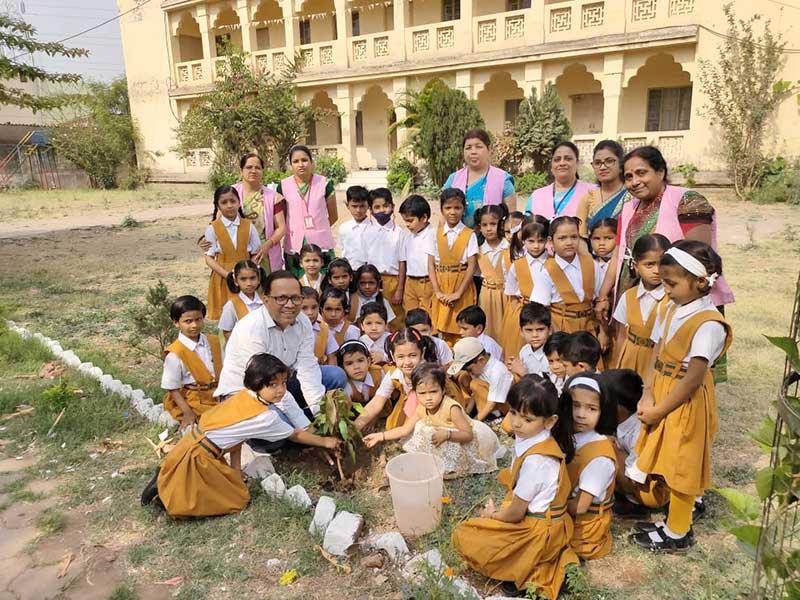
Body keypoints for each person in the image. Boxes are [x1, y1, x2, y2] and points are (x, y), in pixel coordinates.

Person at [595, 147, 734, 381]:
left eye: (642, 173)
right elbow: (620, 255)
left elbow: (699, 257)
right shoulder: (629, 208)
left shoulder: (688, 200)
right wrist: (603, 295)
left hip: (679, 299)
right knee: (636, 365)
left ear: (660, 171)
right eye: (628, 177)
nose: (634, 181)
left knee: (676, 371)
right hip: (637, 298)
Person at [142, 354, 340, 518]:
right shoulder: (264, 417)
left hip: (192, 444)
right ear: (257, 384)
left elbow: (238, 440)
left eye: (284, 383)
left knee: (233, 486)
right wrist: (325, 441)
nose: (281, 390)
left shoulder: (245, 397)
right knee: (237, 500)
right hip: (200, 458)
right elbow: (296, 435)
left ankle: (167, 481)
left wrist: (235, 471)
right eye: (273, 385)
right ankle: (167, 495)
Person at [629, 241, 732, 552]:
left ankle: (677, 532)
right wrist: (648, 393)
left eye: (672, 283)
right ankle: (677, 516)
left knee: (682, 464)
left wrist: (660, 410)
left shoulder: (708, 324)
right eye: (664, 282)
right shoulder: (673, 307)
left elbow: (692, 379)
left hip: (682, 401)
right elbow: (659, 351)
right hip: (662, 393)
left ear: (701, 282)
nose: (667, 290)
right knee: (667, 458)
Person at [452, 375, 578, 598]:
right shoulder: (535, 439)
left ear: (549, 421)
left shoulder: (537, 462)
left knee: (466, 535)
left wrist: (493, 515)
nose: (517, 423)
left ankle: (532, 567)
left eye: (527, 419)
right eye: (513, 413)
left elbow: (515, 514)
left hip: (538, 530)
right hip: (542, 520)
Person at [214, 271, 347, 418]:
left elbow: (308, 369)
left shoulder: (303, 322)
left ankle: (302, 419)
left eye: (296, 298)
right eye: (282, 298)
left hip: (281, 385)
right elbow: (263, 384)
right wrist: (305, 426)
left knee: (335, 375)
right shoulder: (252, 329)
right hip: (249, 392)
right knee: (277, 421)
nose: (290, 305)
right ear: (265, 299)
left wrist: (320, 415)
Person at [364, 363, 499, 478]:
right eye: (422, 393)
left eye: (433, 392)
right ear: (415, 392)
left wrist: (447, 434)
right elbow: (405, 429)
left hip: (466, 438)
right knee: (420, 428)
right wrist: (381, 436)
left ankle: (452, 466)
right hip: (445, 433)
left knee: (433, 434)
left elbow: (468, 435)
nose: (428, 398)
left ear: (443, 390)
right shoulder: (421, 407)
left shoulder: (451, 407)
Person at [562, 374, 617, 560]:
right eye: (575, 405)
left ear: (603, 412)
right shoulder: (571, 435)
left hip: (583, 527)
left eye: (591, 408)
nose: (580, 414)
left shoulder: (600, 457)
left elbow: (580, 507)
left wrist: (545, 507)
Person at [602, 368, 669, 518]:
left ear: (618, 407)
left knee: (603, 446)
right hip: (633, 480)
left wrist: (611, 447)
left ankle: (634, 504)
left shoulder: (640, 432)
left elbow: (630, 483)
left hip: (648, 492)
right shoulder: (622, 420)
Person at [354, 328, 437, 431]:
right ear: (392, 356)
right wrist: (354, 428)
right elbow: (376, 402)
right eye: (401, 357)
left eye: (412, 355)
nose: (407, 362)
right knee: (393, 426)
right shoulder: (394, 374)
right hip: (412, 404)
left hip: (434, 407)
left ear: (422, 353)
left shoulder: (430, 374)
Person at [611, 234, 670, 374]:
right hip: (629, 361)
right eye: (649, 264)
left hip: (657, 364)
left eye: (661, 264)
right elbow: (621, 336)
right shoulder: (628, 296)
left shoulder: (672, 300)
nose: (656, 271)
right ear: (636, 265)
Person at [532, 216, 603, 334]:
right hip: (561, 327)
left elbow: (601, 299)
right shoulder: (546, 271)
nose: (569, 242)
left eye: (574, 237)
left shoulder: (591, 264)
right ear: (550, 241)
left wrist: (603, 332)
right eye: (562, 238)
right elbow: (540, 308)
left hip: (590, 327)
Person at [161, 295, 222, 429]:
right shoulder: (175, 353)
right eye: (188, 321)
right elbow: (172, 387)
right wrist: (187, 412)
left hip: (218, 395)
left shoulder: (213, 342)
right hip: (194, 401)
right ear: (176, 322)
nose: (194, 325)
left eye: (198, 319)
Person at [428, 188, 479, 345]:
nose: (452, 212)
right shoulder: (435, 234)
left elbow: (471, 265)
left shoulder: (469, 234)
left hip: (461, 285)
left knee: (461, 329)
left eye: (457, 208)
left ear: (463, 209)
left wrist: (458, 293)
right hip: (442, 285)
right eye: (448, 208)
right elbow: (430, 264)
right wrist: (437, 291)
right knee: (440, 329)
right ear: (442, 209)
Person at [203, 185, 261, 320]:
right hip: (223, 277)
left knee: (248, 313)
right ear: (217, 205)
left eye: (233, 201)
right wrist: (228, 275)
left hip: (246, 277)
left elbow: (256, 253)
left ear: (239, 202)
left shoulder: (248, 226)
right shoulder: (212, 228)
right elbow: (209, 258)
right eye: (224, 202)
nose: (229, 205)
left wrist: (249, 272)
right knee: (227, 315)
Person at [279, 145, 338, 275]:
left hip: (321, 245)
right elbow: (281, 217)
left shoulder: (324, 183)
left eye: (304, 160)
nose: (301, 164)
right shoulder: (282, 186)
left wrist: (319, 231)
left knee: (324, 285)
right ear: (290, 165)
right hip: (294, 246)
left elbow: (333, 215)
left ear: (311, 162)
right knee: (297, 287)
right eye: (295, 161)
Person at [443, 128, 517, 227]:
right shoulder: (453, 179)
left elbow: (512, 219)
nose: (473, 152)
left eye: (478, 147)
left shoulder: (503, 179)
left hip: (492, 240)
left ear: (489, 149)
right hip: (459, 239)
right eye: (468, 148)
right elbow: (443, 215)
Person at [501, 217, 550, 356]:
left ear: (547, 240)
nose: (536, 246)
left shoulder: (553, 264)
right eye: (531, 241)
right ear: (523, 241)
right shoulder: (517, 265)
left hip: (548, 315)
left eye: (540, 241)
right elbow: (512, 295)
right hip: (522, 314)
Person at [234, 153, 287, 272]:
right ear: (241, 170)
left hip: (264, 253)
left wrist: (267, 245)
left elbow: (281, 227)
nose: (253, 171)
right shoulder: (231, 193)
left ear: (263, 171)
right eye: (249, 167)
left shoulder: (274, 197)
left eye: (257, 168)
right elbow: (218, 221)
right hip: (237, 250)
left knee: (267, 287)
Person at [365, 187, 407, 329]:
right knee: (373, 317)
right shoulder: (367, 232)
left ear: (392, 207)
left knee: (396, 318)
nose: (382, 210)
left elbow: (402, 262)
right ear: (370, 210)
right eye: (377, 207)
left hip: (392, 281)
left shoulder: (400, 233)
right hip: (371, 281)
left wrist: (400, 289)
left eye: (385, 206)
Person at [449, 337, 514, 423]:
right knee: (466, 378)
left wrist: (475, 421)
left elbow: (491, 403)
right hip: (489, 404)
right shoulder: (481, 368)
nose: (470, 373)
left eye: (469, 369)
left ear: (481, 360)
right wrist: (466, 414)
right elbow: (474, 394)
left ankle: (493, 418)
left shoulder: (497, 371)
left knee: (475, 384)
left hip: (505, 408)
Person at [525, 141, 596, 219]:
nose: (562, 163)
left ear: (577, 163)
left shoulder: (593, 192)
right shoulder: (537, 196)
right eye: (557, 159)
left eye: (568, 159)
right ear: (552, 166)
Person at [575, 140, 630, 238]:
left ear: (621, 165)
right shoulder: (587, 199)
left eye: (609, 161)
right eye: (597, 163)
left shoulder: (632, 196)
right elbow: (580, 236)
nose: (602, 167)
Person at [474, 204, 510, 341]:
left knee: (506, 331)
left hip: (506, 295)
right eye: (484, 225)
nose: (489, 229)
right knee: (488, 330)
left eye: (493, 224)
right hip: (486, 296)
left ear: (501, 224)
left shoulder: (508, 247)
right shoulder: (478, 249)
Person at [399, 194, 435, 313]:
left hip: (427, 283)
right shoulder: (407, 236)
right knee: (411, 319)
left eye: (410, 220)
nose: (407, 224)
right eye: (405, 221)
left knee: (428, 319)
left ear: (424, 218)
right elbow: (404, 261)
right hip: (410, 283)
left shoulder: (434, 235)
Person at [218, 260, 267, 340]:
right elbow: (227, 331)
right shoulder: (231, 305)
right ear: (236, 281)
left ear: (259, 279)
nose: (249, 283)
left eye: (252, 278)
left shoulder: (266, 300)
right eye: (243, 279)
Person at [507, 302, 552, 379]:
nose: (535, 335)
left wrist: (524, 373)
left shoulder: (552, 356)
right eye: (529, 330)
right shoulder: (524, 350)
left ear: (550, 330)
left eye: (540, 329)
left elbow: (547, 386)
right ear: (521, 332)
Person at [300, 286, 338, 366]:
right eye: (304, 308)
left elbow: (332, 357)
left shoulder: (324, 329)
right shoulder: (291, 329)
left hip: (320, 369)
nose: (310, 312)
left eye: (314, 307)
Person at [337, 340, 380, 406]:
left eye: (360, 361)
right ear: (342, 368)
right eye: (349, 363)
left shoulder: (378, 373)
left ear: (368, 361)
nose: (356, 367)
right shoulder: (346, 386)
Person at [338, 186, 371, 270]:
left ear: (368, 206)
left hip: (369, 272)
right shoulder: (344, 228)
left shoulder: (374, 228)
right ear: (347, 205)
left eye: (362, 206)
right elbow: (343, 249)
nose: (358, 210)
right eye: (354, 206)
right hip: (349, 271)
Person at [359, 301, 390, 365]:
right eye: (369, 323)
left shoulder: (391, 340)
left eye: (378, 323)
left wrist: (383, 357)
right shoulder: (361, 342)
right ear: (362, 326)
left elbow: (400, 356)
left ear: (386, 325)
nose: (374, 328)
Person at [589, 218, 617, 285]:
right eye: (597, 238)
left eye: (608, 238)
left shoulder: (624, 265)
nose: (601, 243)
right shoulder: (588, 263)